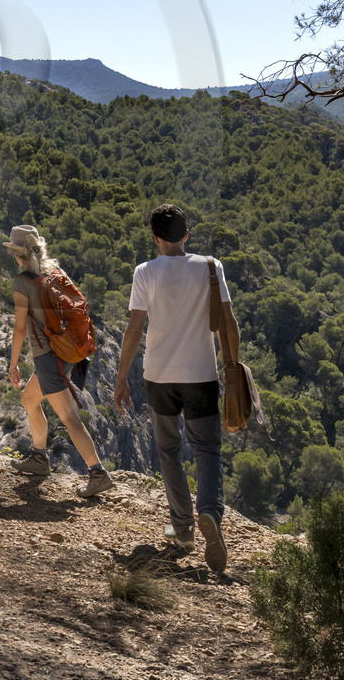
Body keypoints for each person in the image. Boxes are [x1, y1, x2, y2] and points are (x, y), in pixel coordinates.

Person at [113, 203, 235, 573]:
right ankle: (209, 513)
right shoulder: (211, 267)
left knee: (168, 451)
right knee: (207, 450)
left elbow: (135, 329)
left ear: (155, 238)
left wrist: (121, 378)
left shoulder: (145, 272)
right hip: (201, 374)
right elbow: (228, 323)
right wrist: (231, 370)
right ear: (186, 235)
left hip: (159, 376)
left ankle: (182, 530)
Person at [3, 224, 112, 497]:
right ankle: (39, 459)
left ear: (18, 255)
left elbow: (19, 329)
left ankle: (97, 472)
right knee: (29, 399)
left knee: (69, 416)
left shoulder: (22, 283)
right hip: (66, 352)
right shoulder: (56, 271)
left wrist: (13, 364)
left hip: (47, 358)